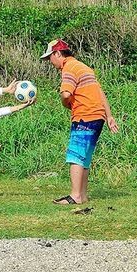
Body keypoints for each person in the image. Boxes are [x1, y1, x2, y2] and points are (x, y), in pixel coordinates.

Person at [42, 38, 118, 205]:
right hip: (98, 116)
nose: (50, 62)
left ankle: (75, 196)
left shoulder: (68, 68)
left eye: (50, 58)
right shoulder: (83, 67)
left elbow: (66, 94)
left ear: (57, 53)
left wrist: (65, 104)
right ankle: (82, 195)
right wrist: (109, 115)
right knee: (85, 157)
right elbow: (100, 91)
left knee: (76, 156)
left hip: (84, 115)